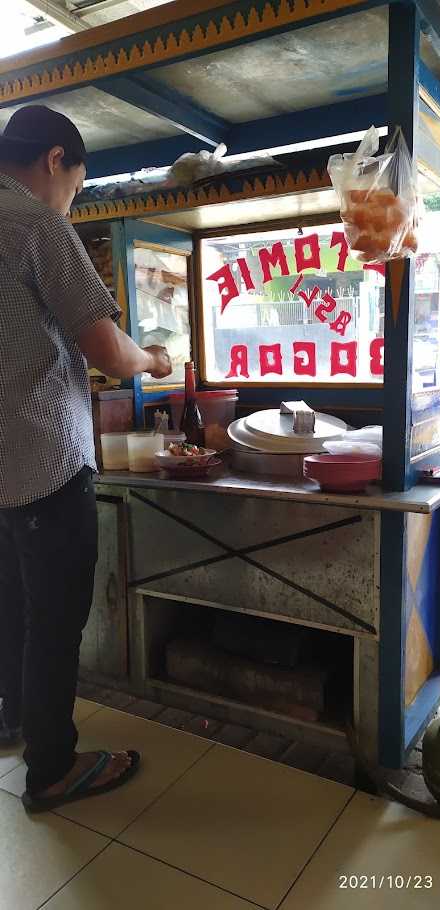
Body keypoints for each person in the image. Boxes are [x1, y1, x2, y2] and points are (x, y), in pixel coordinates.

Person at [0, 105, 172, 813]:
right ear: (55, 160)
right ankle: (53, 769)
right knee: (55, 618)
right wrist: (156, 358)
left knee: (10, 608)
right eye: (76, 184)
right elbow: (107, 350)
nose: (70, 198)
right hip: (44, 460)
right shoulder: (36, 224)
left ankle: (12, 721)